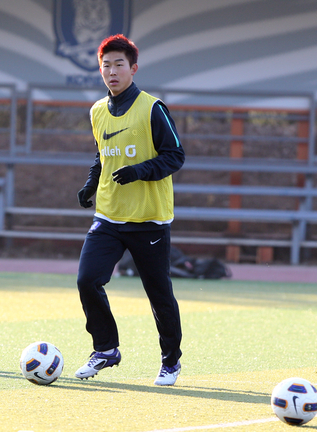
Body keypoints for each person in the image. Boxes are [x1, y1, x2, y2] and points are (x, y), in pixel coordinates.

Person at [75, 34, 185, 386]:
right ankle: (106, 349)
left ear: (133, 68)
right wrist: (92, 184)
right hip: (108, 216)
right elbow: (102, 155)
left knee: (158, 293)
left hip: (148, 219)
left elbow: (175, 156)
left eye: (119, 64)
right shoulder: (96, 111)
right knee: (87, 280)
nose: (112, 71)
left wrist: (140, 171)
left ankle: (171, 361)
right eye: (105, 65)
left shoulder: (153, 108)